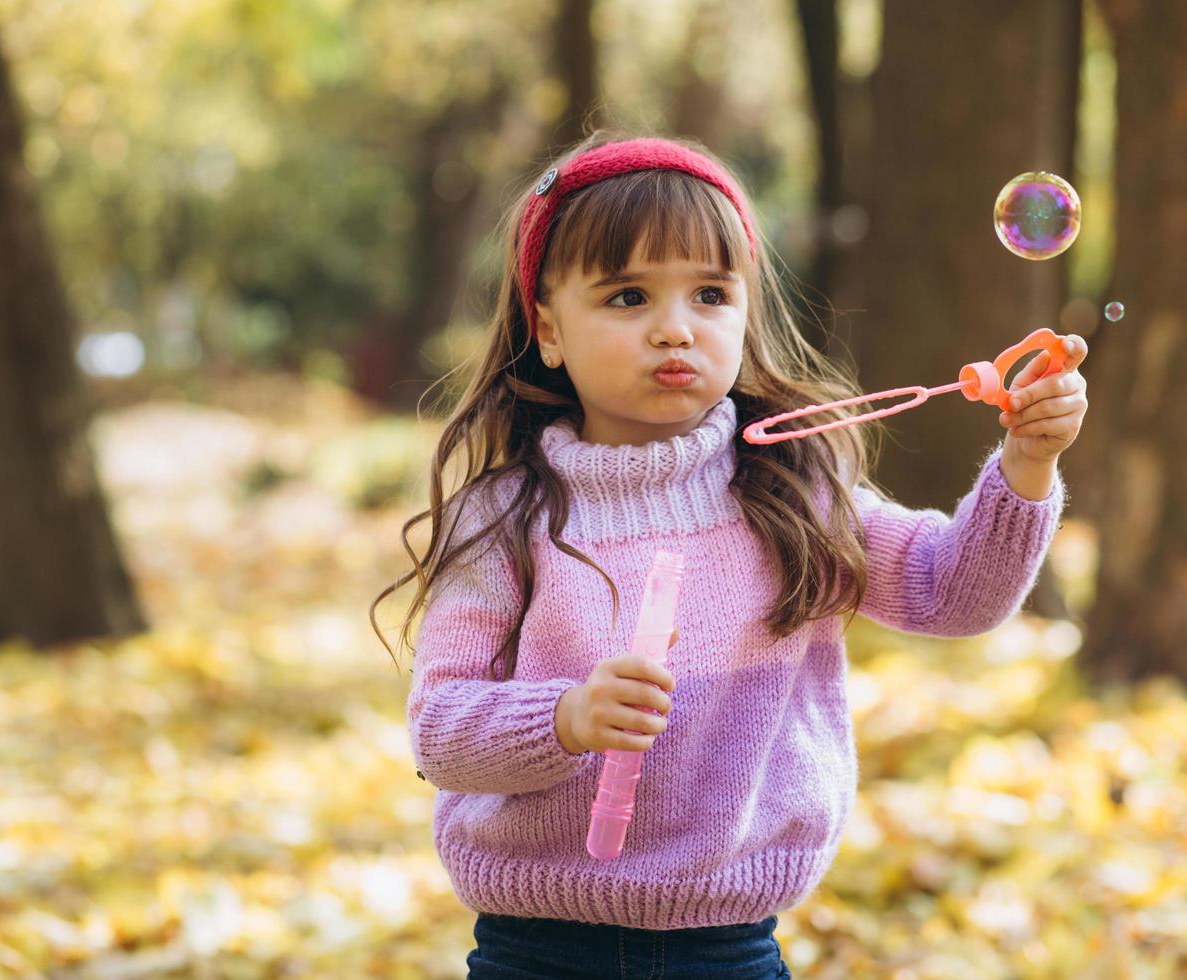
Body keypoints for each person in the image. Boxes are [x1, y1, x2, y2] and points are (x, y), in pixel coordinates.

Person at [370, 132, 1088, 979]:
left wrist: (1027, 468)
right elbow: (441, 730)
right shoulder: (506, 518)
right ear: (548, 328)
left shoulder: (792, 493)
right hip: (536, 947)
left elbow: (954, 595)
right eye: (628, 297)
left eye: (711, 293)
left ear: (746, 314)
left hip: (729, 948)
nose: (675, 330)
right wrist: (563, 718)